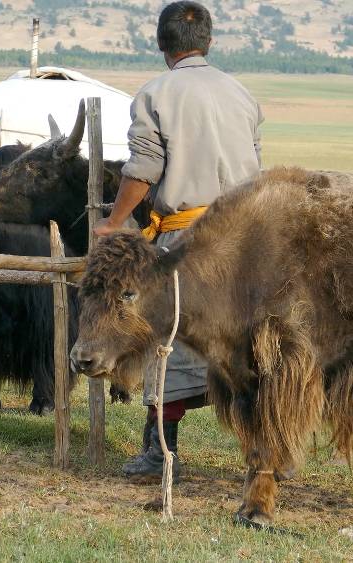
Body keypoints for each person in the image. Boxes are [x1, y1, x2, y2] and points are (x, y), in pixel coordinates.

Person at [92, 1, 264, 483]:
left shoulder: (155, 94)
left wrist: (114, 221)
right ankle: (261, 455)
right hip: (246, 240)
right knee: (245, 344)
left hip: (187, 240)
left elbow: (144, 169)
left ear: (162, 45)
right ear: (208, 42)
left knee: (166, 339)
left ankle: (158, 451)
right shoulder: (242, 94)